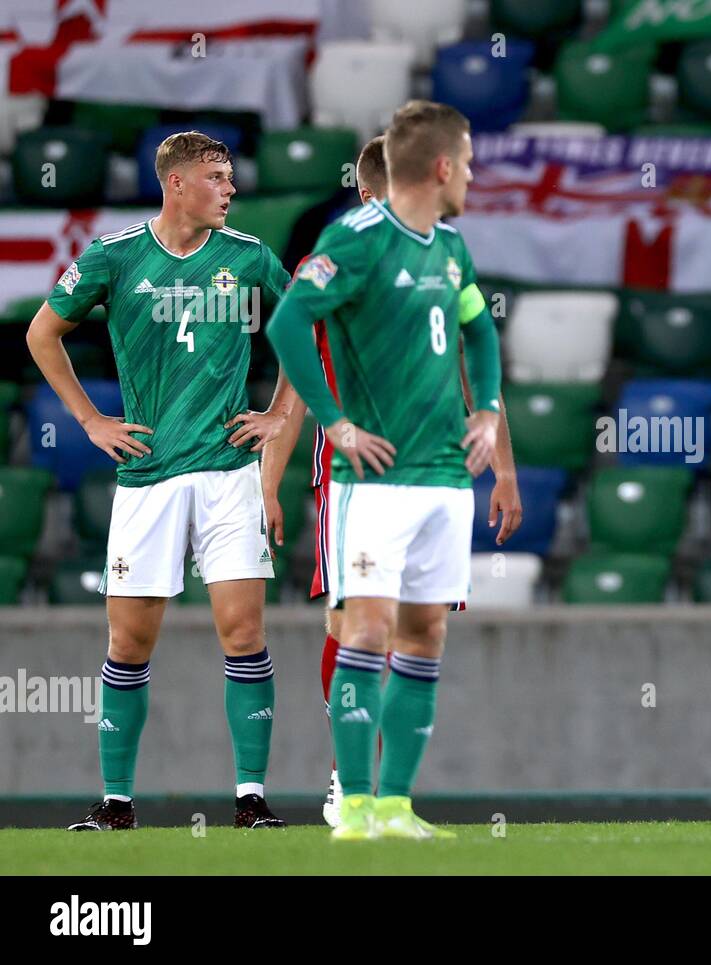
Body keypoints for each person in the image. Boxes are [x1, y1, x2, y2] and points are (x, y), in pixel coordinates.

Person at [29, 131, 294, 830]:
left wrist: (279, 411)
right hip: (147, 474)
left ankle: (251, 799)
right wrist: (90, 420)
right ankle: (115, 803)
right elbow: (40, 333)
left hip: (229, 474)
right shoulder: (114, 257)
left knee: (242, 630)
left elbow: (306, 326)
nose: (230, 189)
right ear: (177, 184)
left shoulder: (249, 257)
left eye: (231, 176)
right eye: (216, 176)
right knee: (128, 643)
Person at [258, 134, 521, 828]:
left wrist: (505, 468)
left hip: (435, 468)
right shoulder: (346, 254)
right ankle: (350, 785)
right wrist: (271, 479)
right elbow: (290, 381)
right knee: (351, 621)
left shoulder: (443, 254)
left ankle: (394, 797)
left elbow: (472, 370)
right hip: (357, 474)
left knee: (419, 629)